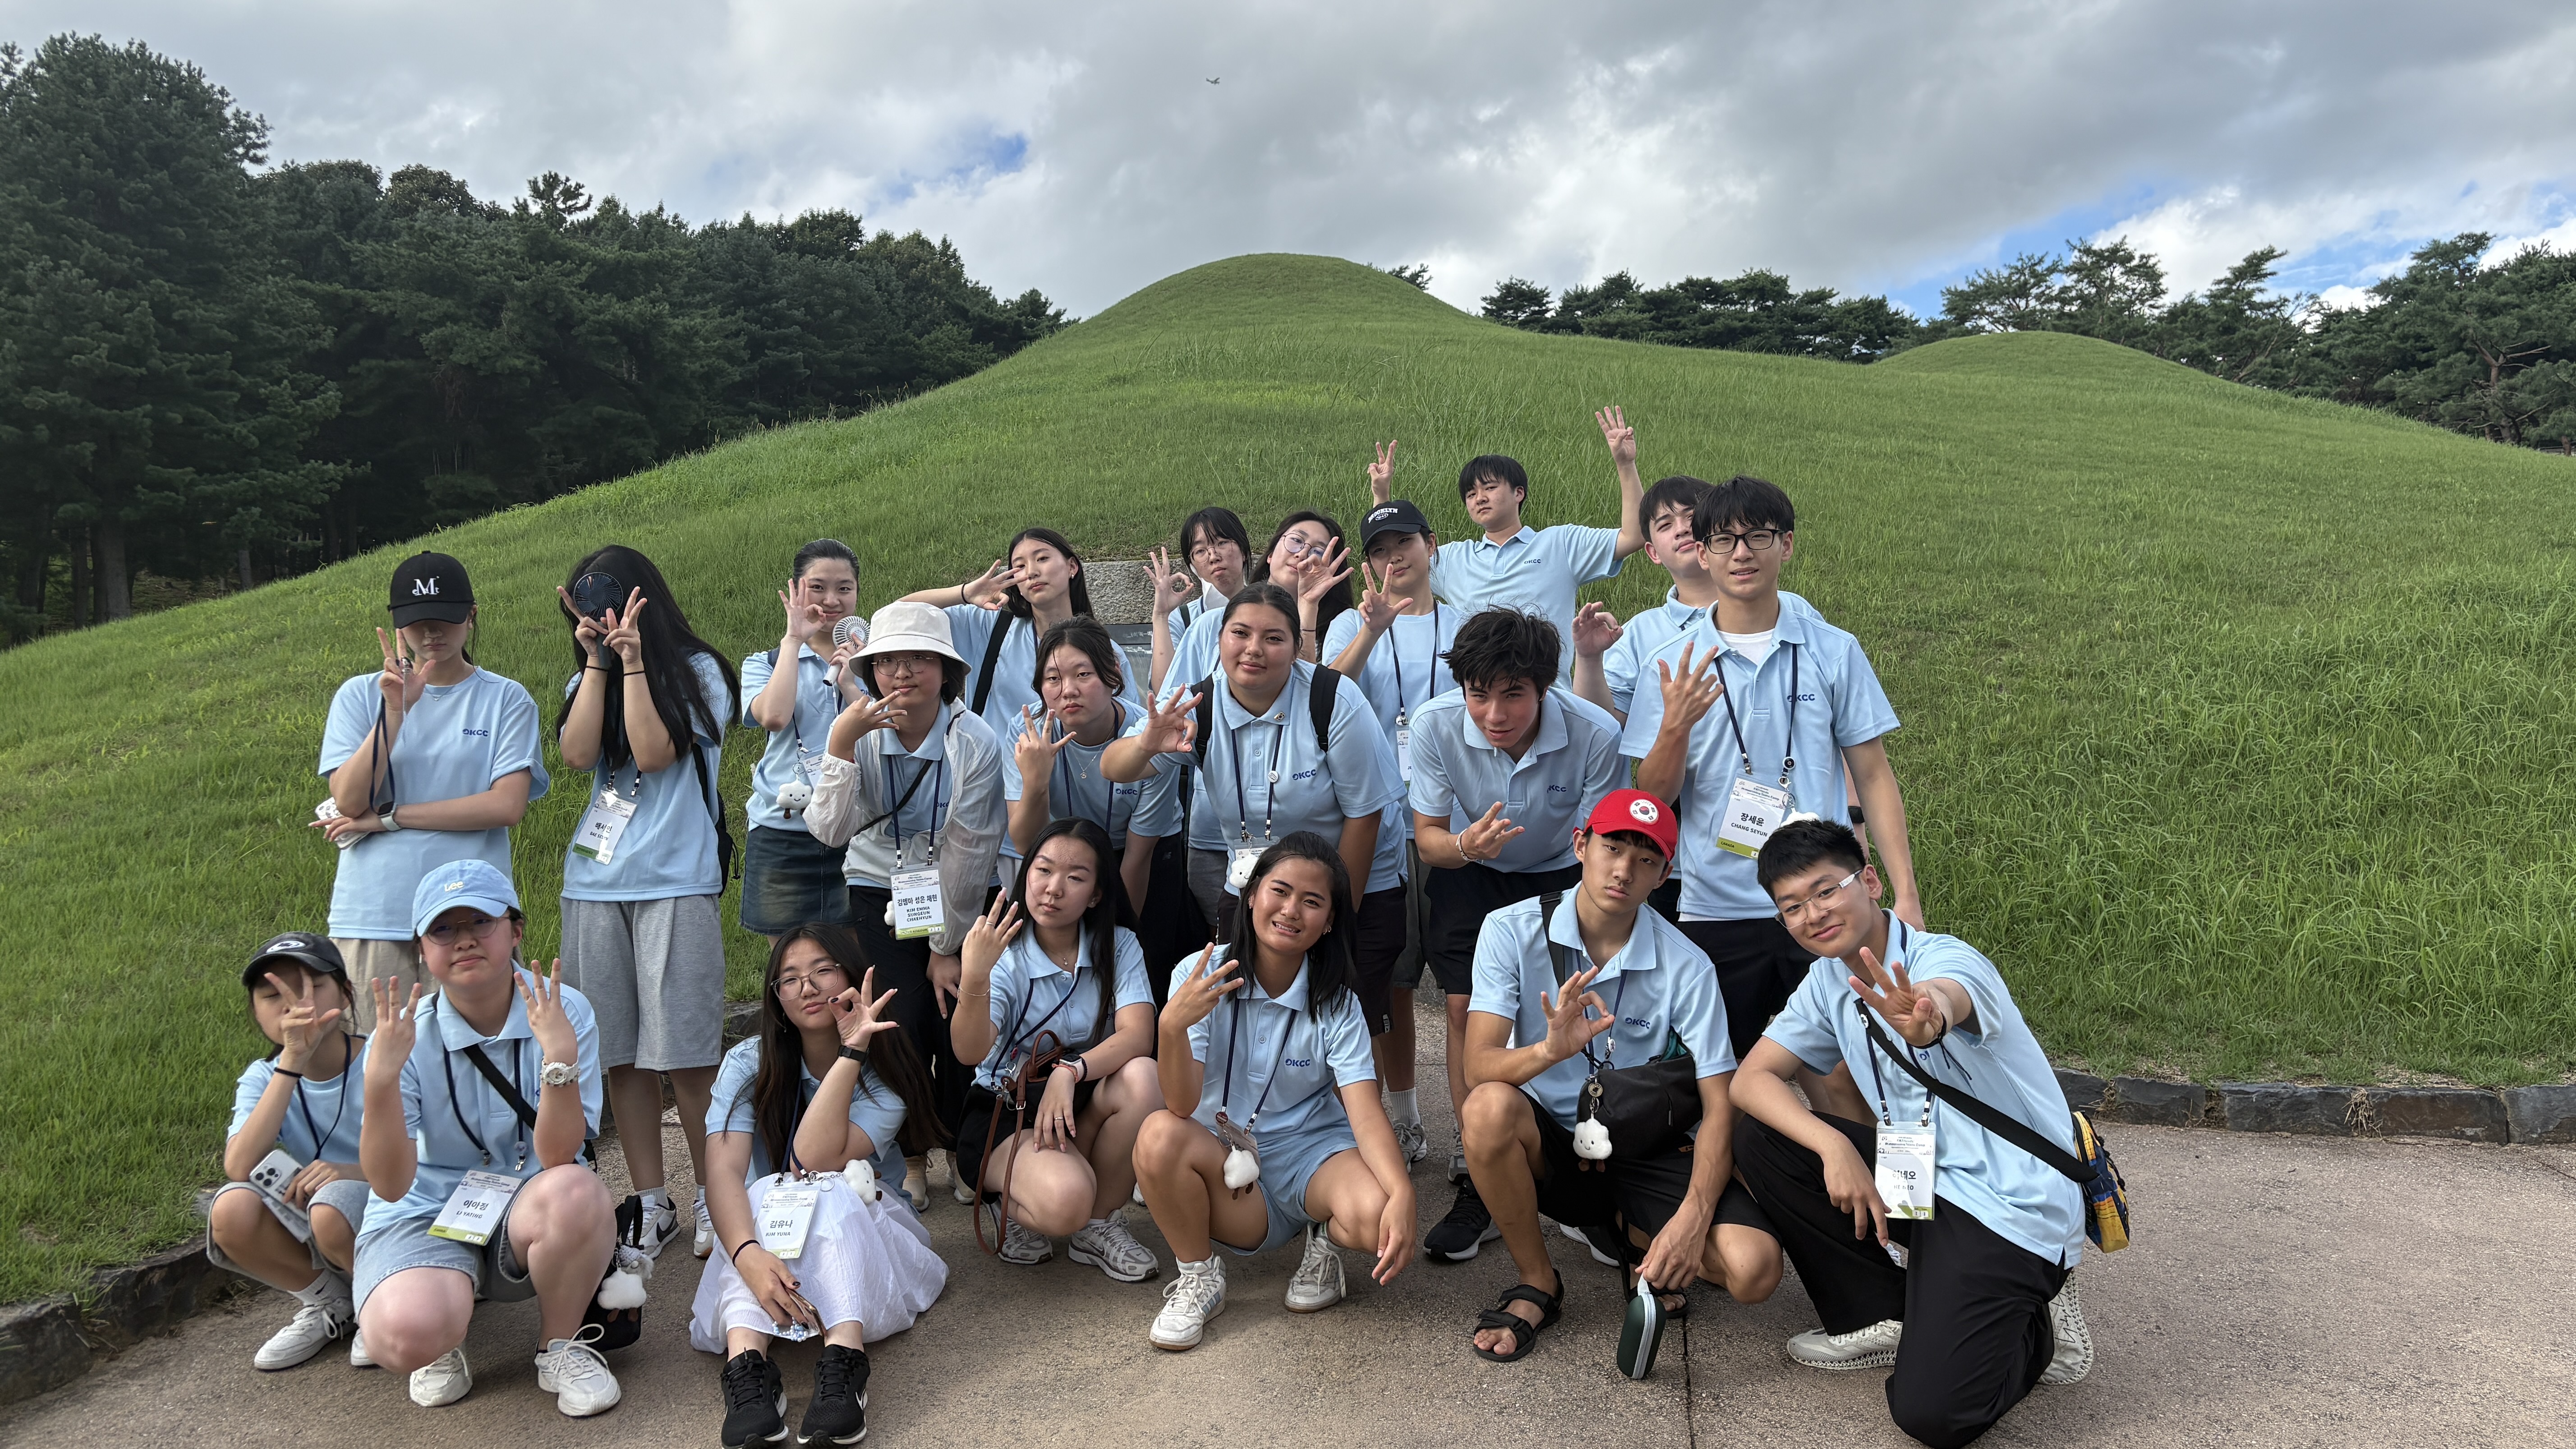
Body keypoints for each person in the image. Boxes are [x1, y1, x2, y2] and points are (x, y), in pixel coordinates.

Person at [1733, 819, 2092, 1447]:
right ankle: (1883, 1312)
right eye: (1792, 906)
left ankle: (2036, 1330)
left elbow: (1948, 997)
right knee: (1764, 1137)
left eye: (1826, 891)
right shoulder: (1827, 980)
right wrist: (1834, 1145)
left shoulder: (1944, 957)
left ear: (1870, 882)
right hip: (1921, 1175)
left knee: (1932, 1415)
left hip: (2006, 1198)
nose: (1813, 914)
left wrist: (1927, 1018)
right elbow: (1751, 1080)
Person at [1624, 473, 1915, 1115]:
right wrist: (1674, 726)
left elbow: (1873, 775)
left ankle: (1869, 1181)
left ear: (1786, 545)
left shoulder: (1834, 651)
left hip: (1825, 903)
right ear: (1702, 553)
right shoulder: (1673, 662)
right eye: (1723, 540)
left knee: (1857, 1076)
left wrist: (1907, 898)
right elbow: (1654, 797)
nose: (1741, 553)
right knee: (1720, 1085)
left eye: (1758, 536)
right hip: (1717, 908)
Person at [1456, 791, 1776, 1368]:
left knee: (1754, 1270)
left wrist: (1693, 1216)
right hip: (1553, 1144)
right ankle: (1537, 1280)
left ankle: (1638, 1236)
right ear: (1581, 845)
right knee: (1487, 1109)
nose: (1625, 870)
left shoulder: (1688, 964)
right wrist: (1548, 1050)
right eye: (1613, 848)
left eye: (1647, 859)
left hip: (1646, 1144)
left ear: (1665, 875)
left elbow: (1720, 1103)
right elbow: (1478, 1066)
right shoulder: (1510, 929)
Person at [353, 861, 620, 1417]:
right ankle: (441, 1334)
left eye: (481, 921)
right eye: (443, 929)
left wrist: (559, 1058)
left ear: (515, 930)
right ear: (422, 949)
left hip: (529, 1206)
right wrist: (380, 1083)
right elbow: (391, 1185)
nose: (465, 940)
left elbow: (558, 1157)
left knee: (577, 1191)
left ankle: (561, 1345)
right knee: (402, 1335)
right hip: (427, 1210)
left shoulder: (564, 1011)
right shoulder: (402, 1036)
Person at [1133, 835, 1417, 1350]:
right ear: (1251, 895)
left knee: (1380, 1216)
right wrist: (1171, 1027)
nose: (1291, 911)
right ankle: (1200, 1276)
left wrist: (1402, 1193)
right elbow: (1179, 1104)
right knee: (1157, 1135)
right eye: (1280, 891)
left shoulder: (1337, 1001)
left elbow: (1365, 1111)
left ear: (1329, 921)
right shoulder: (1200, 975)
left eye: (1312, 901)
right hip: (1224, 1159)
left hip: (1313, 1156)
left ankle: (1324, 1240)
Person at [1102, 585, 1408, 1054]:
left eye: (1274, 638)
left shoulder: (1332, 699)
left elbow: (1364, 816)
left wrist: (1330, 917)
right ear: (1219, 638)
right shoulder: (1199, 705)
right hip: (1252, 886)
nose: (1254, 649)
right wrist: (1146, 743)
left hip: (1353, 887)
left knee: (1345, 1030)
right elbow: (1114, 767)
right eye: (1240, 633)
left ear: (1297, 646)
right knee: (1245, 1022)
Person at [1406, 609, 1624, 1260]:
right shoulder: (1435, 725)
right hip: (1470, 869)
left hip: (1564, 871)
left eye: (1513, 695)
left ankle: (1583, 1167)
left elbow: (1602, 843)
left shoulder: (1595, 732)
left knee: (1569, 1007)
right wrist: (1466, 847)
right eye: (1479, 694)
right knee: (1464, 1010)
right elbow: (1428, 839)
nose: (1494, 714)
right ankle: (1480, 1170)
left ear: (1545, 688)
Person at [554, 544, 740, 1263]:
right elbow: (577, 755)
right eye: (587, 606)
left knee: (687, 1056)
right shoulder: (587, 679)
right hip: (595, 885)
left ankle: (715, 1195)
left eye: (612, 602)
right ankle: (652, 1200)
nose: (602, 616)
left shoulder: (700, 673)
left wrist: (633, 663)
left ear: (644, 600)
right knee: (621, 1057)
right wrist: (599, 664)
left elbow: (655, 752)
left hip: (676, 882)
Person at [699, 926, 949, 1449]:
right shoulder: (748, 1063)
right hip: (766, 1238)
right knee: (764, 1192)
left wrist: (851, 1051)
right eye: (790, 979)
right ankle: (748, 1370)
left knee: (825, 1185)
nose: (807, 988)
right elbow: (721, 1174)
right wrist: (746, 1254)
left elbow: (810, 1159)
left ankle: (844, 1360)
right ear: (776, 997)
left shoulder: (884, 1067)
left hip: (871, 1233)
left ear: (852, 977)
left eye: (822, 971)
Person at [805, 601, 1005, 1213]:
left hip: (959, 894)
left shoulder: (975, 741)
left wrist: (947, 949)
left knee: (959, 1019)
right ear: (870, 670)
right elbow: (828, 830)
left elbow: (971, 851)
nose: (903, 672)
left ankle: (966, 1152)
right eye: (888, 660)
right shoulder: (857, 730)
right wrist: (841, 744)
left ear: (947, 672)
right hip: (878, 885)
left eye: (921, 658)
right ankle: (912, 1154)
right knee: (901, 1019)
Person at [313, 551, 549, 1030]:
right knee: (372, 1061)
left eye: (444, 618)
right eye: (417, 622)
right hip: (375, 914)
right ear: (397, 625)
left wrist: (390, 818)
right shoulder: (359, 696)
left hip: (471, 917)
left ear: (471, 615)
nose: (431, 633)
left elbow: (506, 806)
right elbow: (350, 801)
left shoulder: (506, 699)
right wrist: (395, 713)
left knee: (479, 1056)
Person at [949, 820, 1164, 1279]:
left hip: (1076, 1095)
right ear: (1025, 873)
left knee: (1144, 1076)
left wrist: (1070, 1071)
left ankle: (1098, 1226)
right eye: (1043, 870)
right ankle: (1007, 1199)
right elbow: (969, 1051)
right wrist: (975, 977)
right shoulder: (1003, 954)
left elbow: (1138, 1036)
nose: (1053, 888)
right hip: (1008, 1111)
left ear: (1097, 895)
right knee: (1066, 1201)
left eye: (1075, 877)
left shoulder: (1119, 944)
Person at [1321, 490, 1462, 1167]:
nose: (1393, 557)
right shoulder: (1349, 622)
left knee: (1464, 987)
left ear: (1431, 546)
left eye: (1403, 542)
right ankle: (1403, 1118)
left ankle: (1470, 1130)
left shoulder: (1466, 623)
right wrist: (1371, 632)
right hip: (1378, 828)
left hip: (1452, 824)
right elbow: (1324, 695)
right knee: (1391, 984)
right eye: (1378, 550)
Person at [1364, 415, 1647, 684]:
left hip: (1548, 694)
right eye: (1471, 494)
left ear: (1518, 493)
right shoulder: (1453, 559)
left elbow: (1634, 536)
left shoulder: (1561, 544)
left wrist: (1625, 464)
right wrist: (1382, 496)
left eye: (1489, 488)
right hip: (1476, 699)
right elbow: (1396, 562)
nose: (1480, 498)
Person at [208, 934, 374, 1371]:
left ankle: (380, 1301)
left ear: (346, 993)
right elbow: (239, 1166)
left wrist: (352, 1172)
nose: (294, 1004)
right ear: (255, 1011)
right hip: (324, 1211)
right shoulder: (264, 1076)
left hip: (395, 1203)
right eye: (272, 995)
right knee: (231, 1209)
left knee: (331, 1207)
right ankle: (333, 1302)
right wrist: (293, 1061)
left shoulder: (382, 1056)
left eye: (311, 987)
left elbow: (434, 1160)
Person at [1000, 616, 1182, 922]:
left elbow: (1138, 858)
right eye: (1053, 678)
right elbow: (1025, 843)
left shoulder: (1148, 736)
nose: (1068, 690)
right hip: (1061, 854)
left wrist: (1119, 939)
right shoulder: (1026, 734)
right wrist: (1036, 783)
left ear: (1114, 673)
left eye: (1083, 674)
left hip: (1139, 852)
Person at [740, 539, 867, 944]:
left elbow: (890, 735)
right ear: (796, 590)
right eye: (818, 587)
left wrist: (852, 682)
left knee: (858, 958)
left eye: (844, 588)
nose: (831, 600)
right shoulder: (765, 662)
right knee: (790, 962)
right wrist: (793, 640)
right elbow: (774, 717)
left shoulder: (880, 663)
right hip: (783, 832)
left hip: (857, 829)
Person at [902, 527, 1141, 730]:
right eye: (1020, 566)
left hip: (1073, 768)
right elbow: (901, 614)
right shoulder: (989, 626)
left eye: (1042, 559)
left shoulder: (1105, 650)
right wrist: (965, 593)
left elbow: (1131, 727)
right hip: (994, 770)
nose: (1031, 572)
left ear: (1072, 567)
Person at [1164, 513, 1354, 687]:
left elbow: (1306, 699)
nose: (1303, 554)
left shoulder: (1337, 633)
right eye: (1296, 540)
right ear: (1271, 555)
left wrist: (1308, 605)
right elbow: (1171, 699)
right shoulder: (1210, 624)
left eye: (1318, 552)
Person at [1147, 506, 1253, 695]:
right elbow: (1165, 691)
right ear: (1193, 567)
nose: (1213, 556)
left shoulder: (1270, 609)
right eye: (1200, 551)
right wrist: (1161, 615)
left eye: (1222, 543)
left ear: (1244, 551)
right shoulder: (1183, 619)